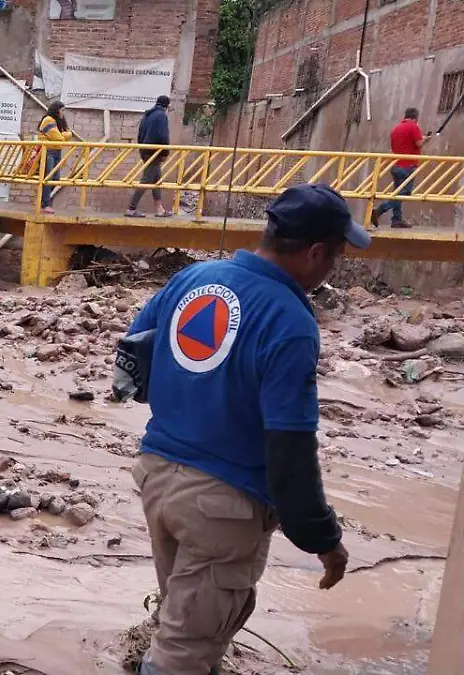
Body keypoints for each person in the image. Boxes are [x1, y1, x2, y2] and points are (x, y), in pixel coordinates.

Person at [125, 183, 366, 675]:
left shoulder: (194, 277)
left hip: (157, 479)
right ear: (315, 253)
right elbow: (290, 450)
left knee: (188, 624)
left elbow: (132, 356)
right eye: (336, 257)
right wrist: (321, 537)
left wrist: (189, 399)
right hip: (223, 507)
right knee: (183, 653)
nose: (333, 268)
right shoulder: (290, 321)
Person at [371, 107, 429, 229]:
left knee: (397, 193)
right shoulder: (413, 127)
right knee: (404, 193)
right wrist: (426, 140)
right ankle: (379, 210)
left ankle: (396, 219)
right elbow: (418, 143)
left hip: (396, 165)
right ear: (415, 117)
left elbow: (398, 145)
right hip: (407, 166)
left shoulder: (396, 129)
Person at [128, 95, 173, 218]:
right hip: (154, 153)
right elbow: (163, 136)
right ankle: (131, 208)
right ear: (167, 106)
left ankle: (159, 209)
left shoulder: (147, 115)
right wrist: (165, 153)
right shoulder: (162, 116)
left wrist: (142, 149)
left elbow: (140, 134)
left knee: (156, 179)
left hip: (145, 151)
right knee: (147, 179)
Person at [38, 101, 73, 214]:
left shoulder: (58, 121)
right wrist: (65, 135)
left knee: (55, 179)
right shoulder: (48, 120)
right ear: (56, 110)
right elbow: (59, 138)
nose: (63, 113)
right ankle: (45, 204)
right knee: (48, 178)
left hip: (57, 151)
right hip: (48, 151)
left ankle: (42, 201)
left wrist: (64, 135)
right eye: (62, 110)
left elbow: (69, 133)